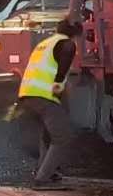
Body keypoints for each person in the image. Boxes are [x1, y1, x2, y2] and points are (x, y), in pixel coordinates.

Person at [16, 17, 81, 185]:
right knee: (62, 137)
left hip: (28, 94)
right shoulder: (67, 43)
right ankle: (42, 179)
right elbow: (64, 62)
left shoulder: (47, 43)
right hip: (44, 95)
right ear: (74, 34)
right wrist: (59, 85)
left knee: (47, 136)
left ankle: (45, 171)